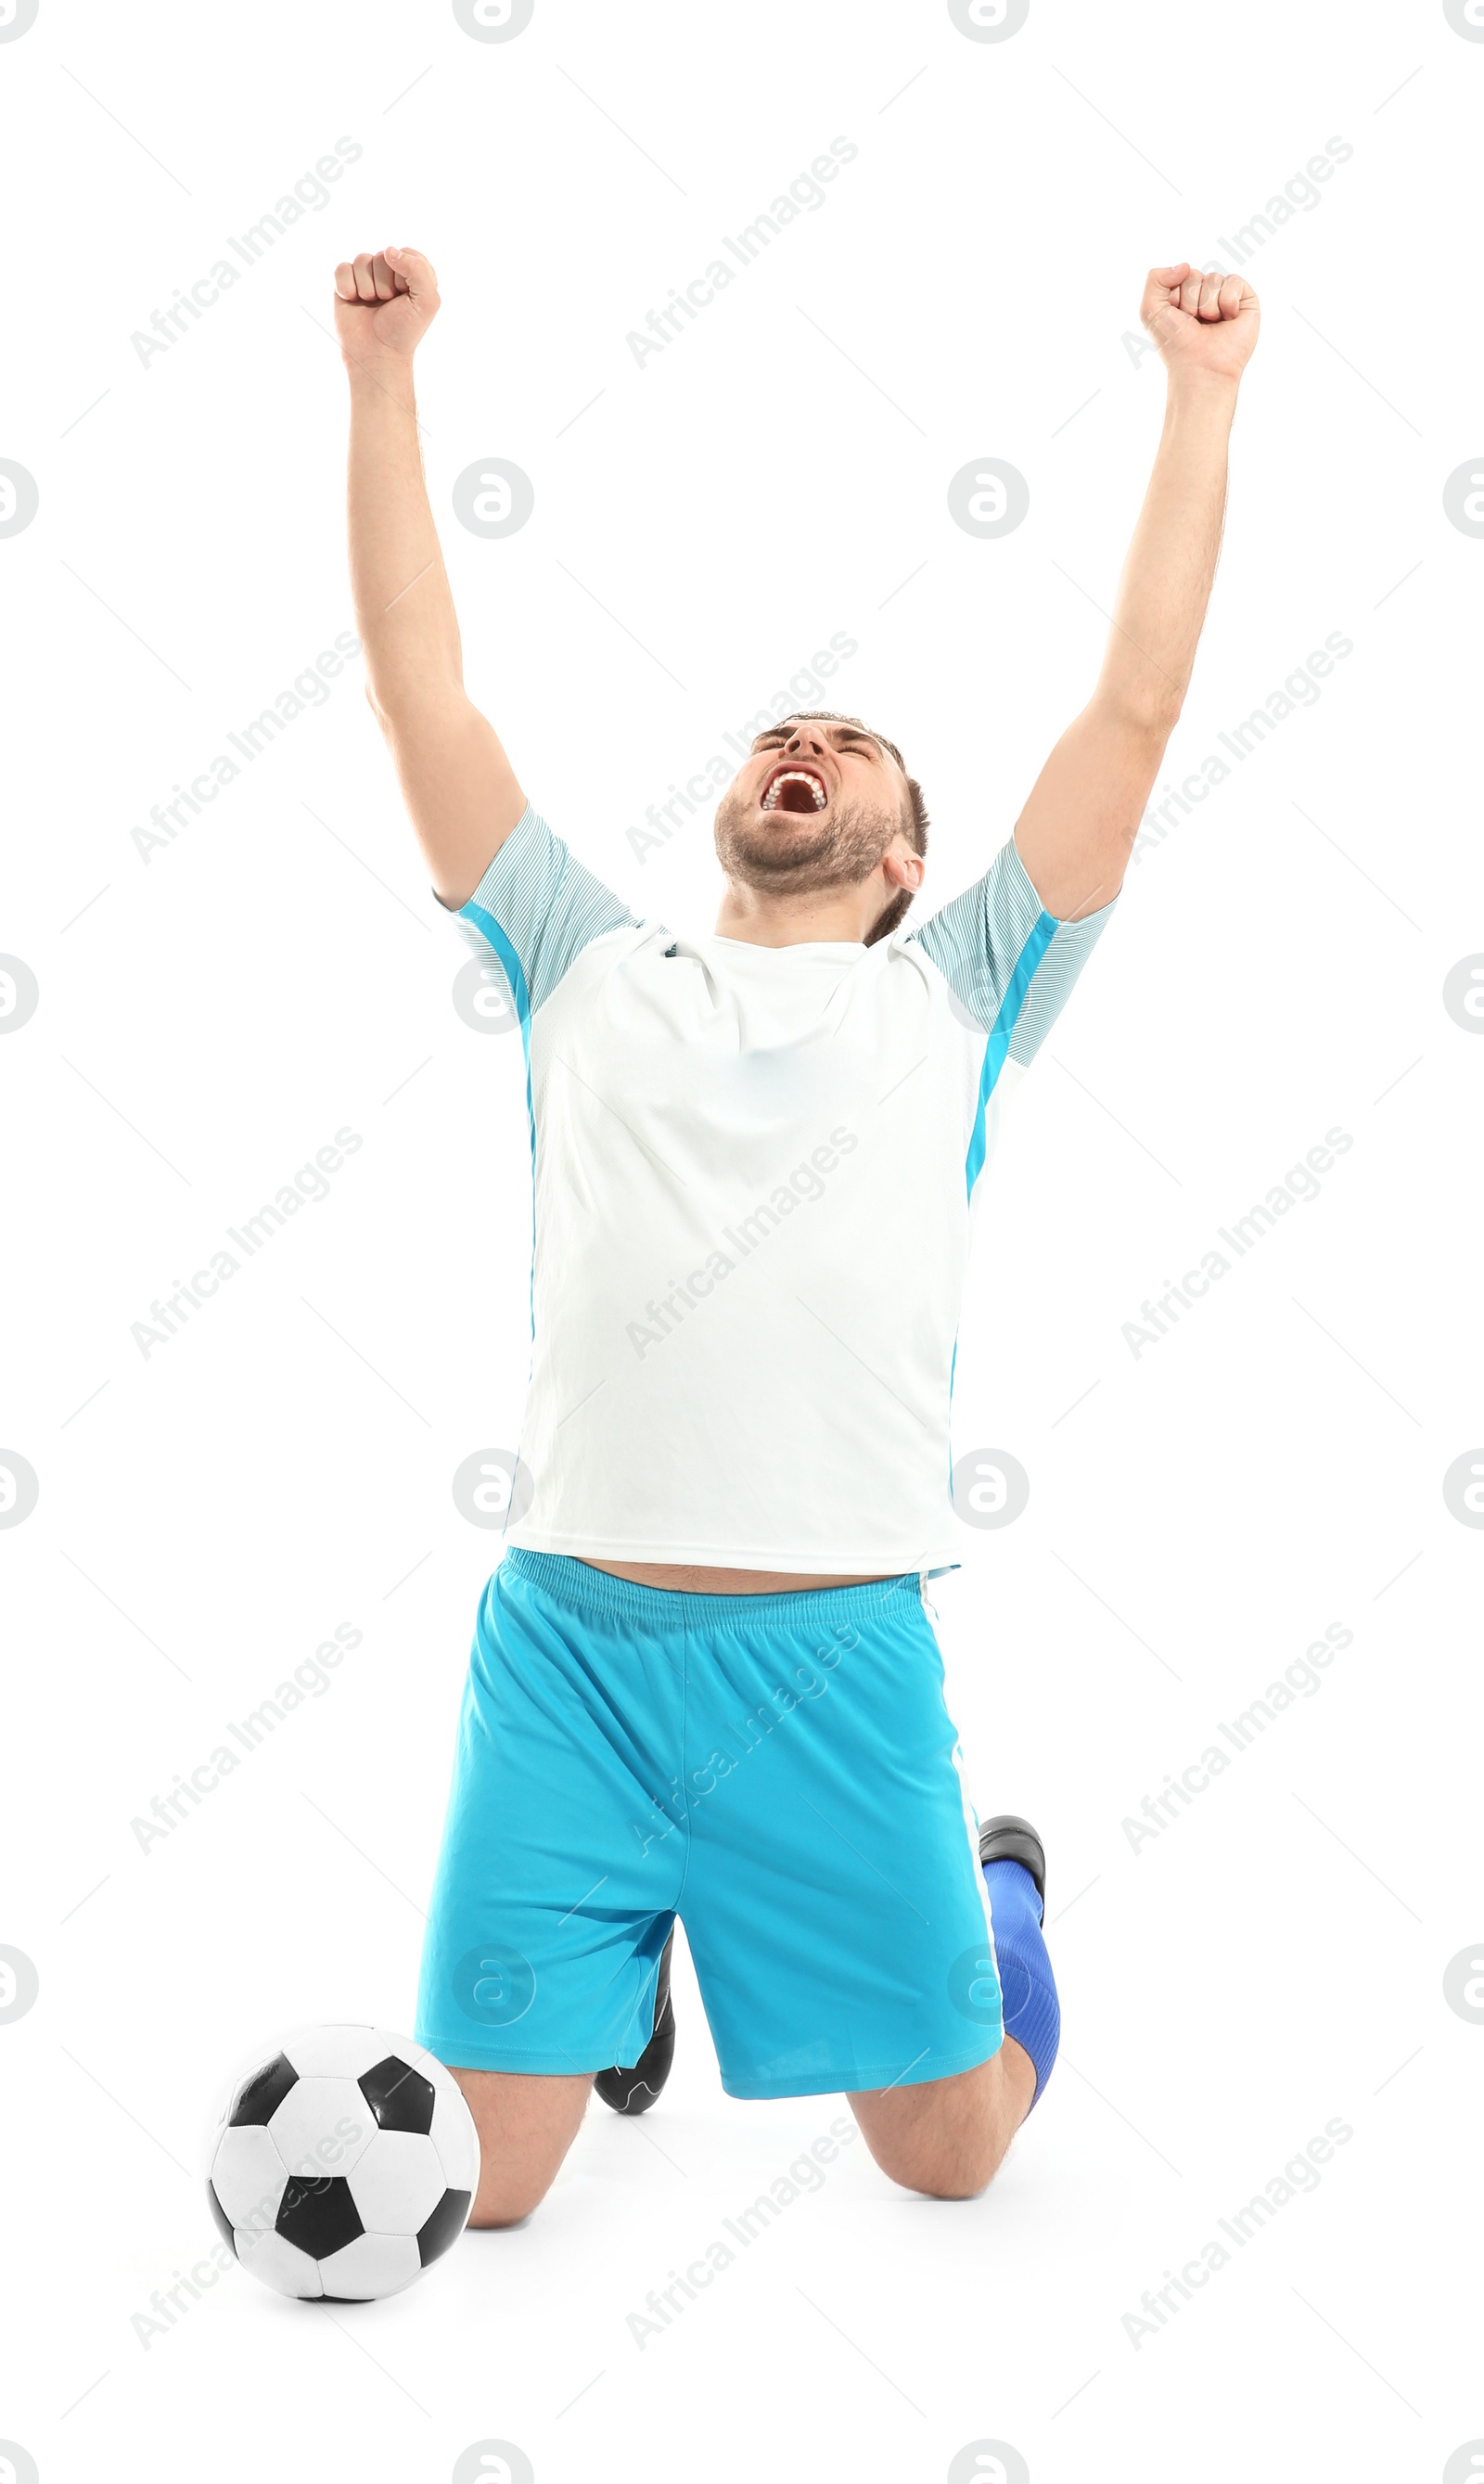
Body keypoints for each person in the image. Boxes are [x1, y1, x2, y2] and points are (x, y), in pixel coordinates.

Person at [335, 244, 1259, 2223]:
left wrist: (1197, 401)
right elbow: (423, 685)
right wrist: (384, 379)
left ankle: (991, 1880)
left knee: (952, 2159)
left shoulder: (961, 991)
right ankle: (619, 1963)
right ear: (738, 811)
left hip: (828, 1660)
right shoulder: (584, 962)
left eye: (854, 748)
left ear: (901, 854)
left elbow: (1135, 702)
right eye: (789, 733)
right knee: (483, 2195)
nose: (809, 744)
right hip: (568, 1651)